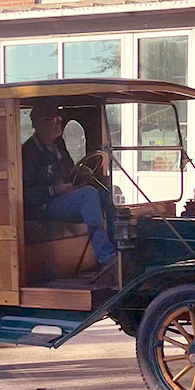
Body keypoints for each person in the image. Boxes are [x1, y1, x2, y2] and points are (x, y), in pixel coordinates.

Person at [22, 101, 116, 273]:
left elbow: (67, 172)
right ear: (37, 124)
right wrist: (54, 190)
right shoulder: (28, 152)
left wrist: (80, 174)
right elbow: (23, 194)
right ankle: (107, 258)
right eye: (53, 120)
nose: (59, 124)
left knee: (104, 195)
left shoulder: (59, 145)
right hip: (42, 207)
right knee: (88, 195)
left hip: (62, 200)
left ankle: (119, 250)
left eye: (60, 119)